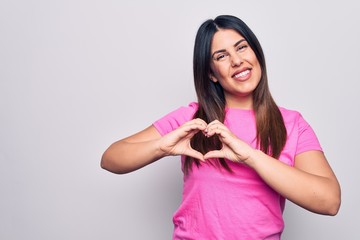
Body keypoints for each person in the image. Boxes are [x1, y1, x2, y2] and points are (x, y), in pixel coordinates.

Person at [101, 15, 341, 239]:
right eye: (221, 56)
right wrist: (161, 146)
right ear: (212, 74)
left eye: (241, 47)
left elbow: (329, 201)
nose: (237, 61)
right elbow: (111, 159)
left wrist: (251, 157)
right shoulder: (193, 119)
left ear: (256, 53)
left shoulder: (292, 124)